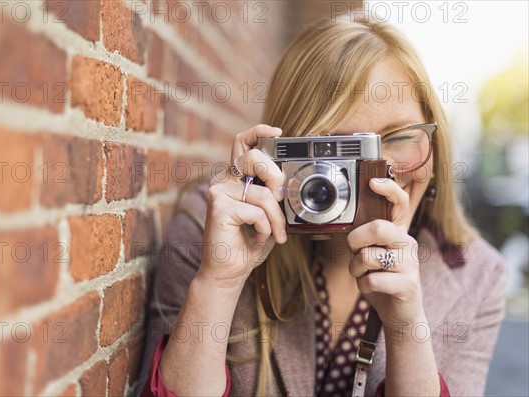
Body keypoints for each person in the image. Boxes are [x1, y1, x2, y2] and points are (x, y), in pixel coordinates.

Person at [136, 14, 506, 397]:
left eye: (398, 137)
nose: (380, 172)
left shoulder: (478, 277)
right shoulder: (209, 231)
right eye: (340, 149)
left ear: (436, 139)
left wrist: (406, 330)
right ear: (284, 153)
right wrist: (219, 282)